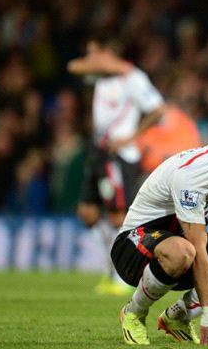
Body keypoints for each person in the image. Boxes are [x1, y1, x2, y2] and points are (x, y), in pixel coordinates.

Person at [111, 113, 208, 346]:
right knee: (183, 250)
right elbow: (196, 245)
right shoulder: (194, 173)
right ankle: (133, 312)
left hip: (181, 247)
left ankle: (178, 317)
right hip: (132, 248)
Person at [67, 35, 166, 295]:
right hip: (99, 151)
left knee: (117, 215)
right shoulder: (102, 76)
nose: (91, 60)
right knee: (87, 213)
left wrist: (131, 137)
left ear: (109, 56)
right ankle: (109, 269)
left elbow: (157, 109)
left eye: (96, 55)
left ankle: (123, 276)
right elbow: (74, 67)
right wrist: (96, 60)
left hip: (119, 156)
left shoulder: (134, 79)